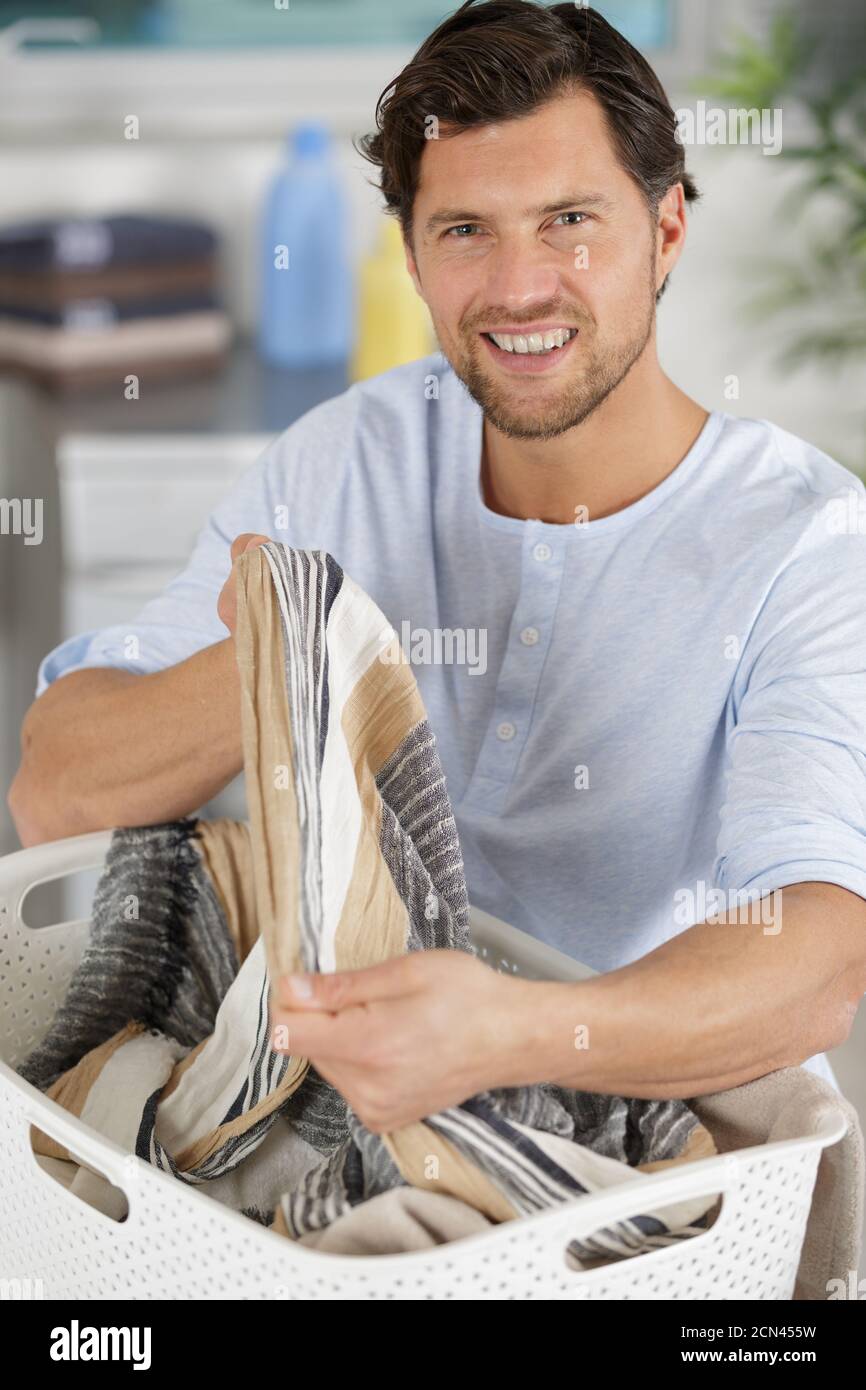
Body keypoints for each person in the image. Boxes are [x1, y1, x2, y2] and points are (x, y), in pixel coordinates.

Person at [9, 1, 866, 1131]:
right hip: (306, 1082)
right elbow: (55, 792)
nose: (517, 287)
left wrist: (505, 1033)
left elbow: (818, 953)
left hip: (624, 1111)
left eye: (569, 220)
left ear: (664, 232)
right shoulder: (345, 459)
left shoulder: (804, 543)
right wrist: (288, 652)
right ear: (410, 255)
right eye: (464, 230)